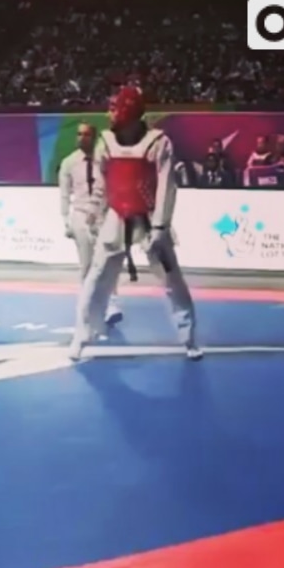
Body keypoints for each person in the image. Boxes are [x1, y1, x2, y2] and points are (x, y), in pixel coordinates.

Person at [68, 85, 201, 362]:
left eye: (114, 108)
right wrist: (94, 213)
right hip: (117, 216)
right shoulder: (106, 142)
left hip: (150, 219)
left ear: (127, 111)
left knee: (172, 279)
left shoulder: (158, 142)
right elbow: (102, 184)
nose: (109, 114)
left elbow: (166, 186)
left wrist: (161, 226)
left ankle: (188, 337)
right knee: (97, 277)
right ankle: (83, 332)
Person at [58, 123, 122, 326]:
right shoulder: (69, 163)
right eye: (79, 134)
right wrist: (66, 220)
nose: (81, 138)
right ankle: (88, 304)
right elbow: (64, 193)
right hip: (80, 215)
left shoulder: (105, 160)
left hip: (104, 214)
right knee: (86, 264)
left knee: (108, 262)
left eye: (86, 134)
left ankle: (111, 304)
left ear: (94, 137)